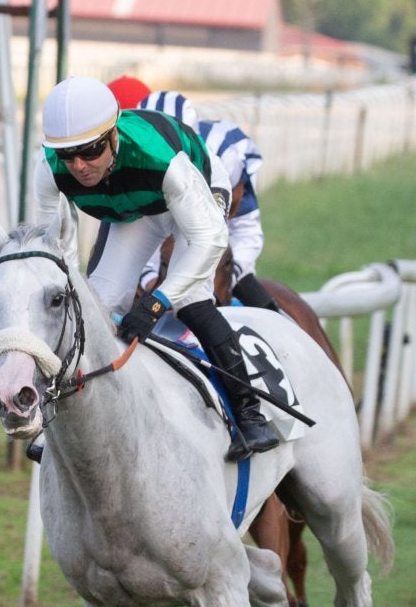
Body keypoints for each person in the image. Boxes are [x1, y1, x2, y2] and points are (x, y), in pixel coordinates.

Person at [34, 75, 279, 462]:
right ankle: (62, 420)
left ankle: (250, 415)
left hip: (194, 191)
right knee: (96, 303)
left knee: (192, 300)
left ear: (112, 135)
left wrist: (157, 301)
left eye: (91, 150)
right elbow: (56, 253)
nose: (79, 166)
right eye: (68, 155)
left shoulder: (159, 158)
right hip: (140, 206)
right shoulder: (49, 169)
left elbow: (209, 241)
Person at [106, 75, 280, 313]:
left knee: (245, 293)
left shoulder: (227, 157)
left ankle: (280, 325)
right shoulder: (129, 162)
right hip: (161, 243)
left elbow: (245, 230)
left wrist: (232, 274)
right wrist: (151, 283)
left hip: (217, 239)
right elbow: (138, 236)